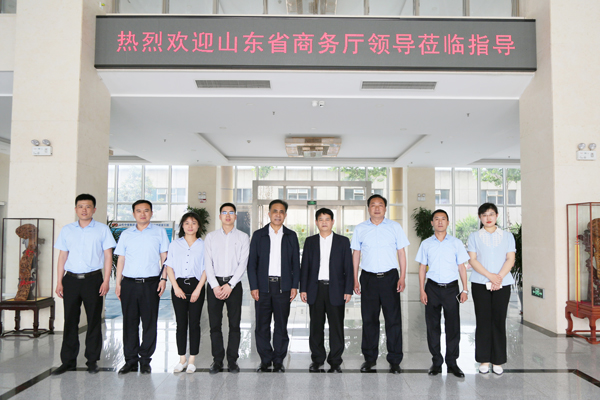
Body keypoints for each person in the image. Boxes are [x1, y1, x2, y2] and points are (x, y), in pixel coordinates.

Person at [52, 194, 116, 375]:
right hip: (70, 280)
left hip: (93, 280)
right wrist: (59, 281)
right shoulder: (67, 230)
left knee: (94, 320)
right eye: (80, 206)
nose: (84, 210)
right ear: (75, 209)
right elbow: (62, 256)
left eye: (88, 206)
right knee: (70, 320)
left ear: (94, 209)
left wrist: (105, 280)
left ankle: (92, 360)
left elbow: (108, 255)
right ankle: (68, 361)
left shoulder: (102, 230)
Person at [351, 194, 409, 374]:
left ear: (385, 208)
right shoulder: (360, 229)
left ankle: (394, 360)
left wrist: (403, 276)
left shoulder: (394, 227)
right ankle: (369, 359)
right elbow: (356, 255)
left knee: (393, 320)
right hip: (368, 278)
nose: (377, 208)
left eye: (380, 205)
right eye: (373, 205)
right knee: (369, 320)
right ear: (368, 208)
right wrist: (355, 278)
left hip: (390, 278)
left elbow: (401, 253)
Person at [114, 199, 170, 374]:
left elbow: (165, 258)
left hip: (151, 283)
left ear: (151, 213)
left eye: (146, 210)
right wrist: (117, 283)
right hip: (129, 283)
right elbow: (121, 259)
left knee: (149, 322)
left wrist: (163, 279)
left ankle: (145, 359)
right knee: (129, 323)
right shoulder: (126, 234)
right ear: (133, 214)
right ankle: (130, 360)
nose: (143, 213)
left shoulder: (159, 233)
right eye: (139, 211)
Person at [247, 199, 300, 373]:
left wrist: (294, 286)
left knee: (281, 325)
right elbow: (252, 263)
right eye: (274, 211)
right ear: (268, 214)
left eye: (281, 211)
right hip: (263, 287)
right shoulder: (259, 235)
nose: (278, 214)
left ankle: (278, 360)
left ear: (285, 215)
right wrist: (254, 286)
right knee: (262, 326)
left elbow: (295, 264)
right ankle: (265, 360)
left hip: (283, 287)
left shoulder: (291, 235)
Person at [416, 209, 470, 378]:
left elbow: (462, 266)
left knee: (453, 326)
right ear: (432, 223)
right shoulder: (426, 243)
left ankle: (452, 362)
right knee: (432, 326)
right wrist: (422, 290)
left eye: (443, 219)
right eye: (436, 219)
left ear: (447, 222)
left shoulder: (456, 243)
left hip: (452, 289)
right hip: (432, 288)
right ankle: (436, 361)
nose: (440, 222)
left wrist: (465, 289)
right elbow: (422, 268)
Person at [300, 208, 353, 373]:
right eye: (321, 219)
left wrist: (348, 289)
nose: (324, 222)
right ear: (316, 222)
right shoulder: (310, 241)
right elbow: (305, 267)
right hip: (315, 289)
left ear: (333, 222)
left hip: (336, 289)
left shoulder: (343, 241)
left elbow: (348, 268)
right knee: (316, 326)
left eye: (327, 219)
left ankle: (335, 360)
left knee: (336, 326)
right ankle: (317, 359)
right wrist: (303, 289)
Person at [467, 203, 516, 376]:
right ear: (480, 217)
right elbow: (472, 260)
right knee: (483, 320)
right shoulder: (474, 236)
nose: (488, 218)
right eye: (484, 215)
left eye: (491, 214)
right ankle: (484, 360)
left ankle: (498, 360)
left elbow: (510, 258)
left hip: (503, 283)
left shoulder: (508, 236)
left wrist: (499, 277)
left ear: (497, 216)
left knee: (499, 319)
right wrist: (491, 276)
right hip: (480, 283)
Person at [204, 203, 250, 374]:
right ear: (220, 216)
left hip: (234, 286)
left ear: (235, 216)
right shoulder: (211, 237)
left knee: (234, 325)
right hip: (214, 285)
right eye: (224, 212)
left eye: (231, 212)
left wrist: (230, 285)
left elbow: (242, 263)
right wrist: (215, 286)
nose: (228, 215)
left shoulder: (243, 237)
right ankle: (217, 360)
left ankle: (232, 361)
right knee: (215, 325)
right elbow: (207, 263)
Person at [165, 212, 207, 374]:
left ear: (198, 226)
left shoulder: (203, 245)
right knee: (181, 324)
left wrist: (198, 289)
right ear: (182, 226)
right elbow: (169, 267)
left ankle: (191, 360)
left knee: (194, 324)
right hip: (179, 284)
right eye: (187, 223)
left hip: (197, 285)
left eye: (194, 223)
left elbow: (206, 268)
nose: (190, 226)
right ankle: (182, 359)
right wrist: (175, 287)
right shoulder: (175, 244)